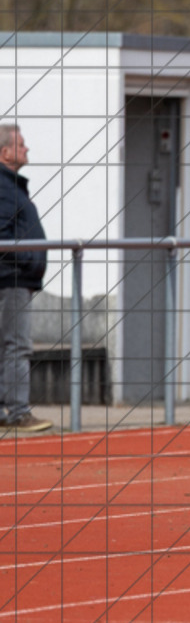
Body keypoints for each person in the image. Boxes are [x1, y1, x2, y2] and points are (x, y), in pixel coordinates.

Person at [0, 123, 52, 432]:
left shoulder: (11, 185)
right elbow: (2, 235)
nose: (27, 149)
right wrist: (29, 259)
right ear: (4, 152)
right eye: (21, 145)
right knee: (17, 345)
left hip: (13, 278)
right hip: (11, 279)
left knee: (7, 345)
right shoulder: (5, 187)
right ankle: (19, 411)